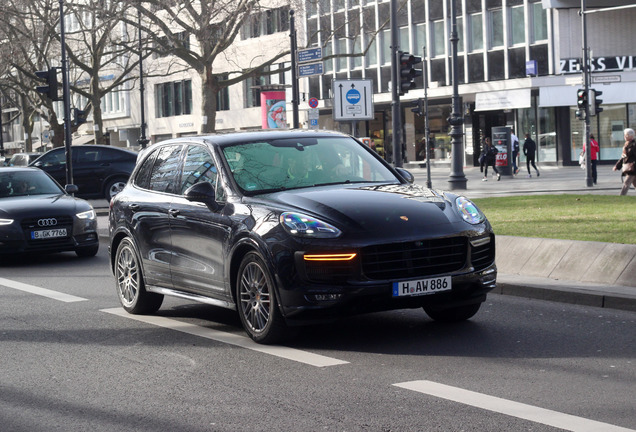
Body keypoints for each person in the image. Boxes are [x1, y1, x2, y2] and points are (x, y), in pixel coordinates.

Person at [612, 128, 636, 195]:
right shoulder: (626, 145)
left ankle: (621, 197)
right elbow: (623, 157)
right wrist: (617, 166)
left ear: (630, 136)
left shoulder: (634, 145)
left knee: (626, 183)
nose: (624, 137)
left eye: (626, 135)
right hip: (630, 167)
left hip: (632, 168)